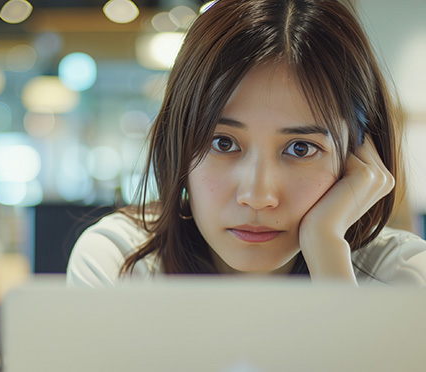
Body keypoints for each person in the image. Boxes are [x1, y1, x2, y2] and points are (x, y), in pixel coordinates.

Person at [66, 0, 426, 287]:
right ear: (177, 142)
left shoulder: (400, 275)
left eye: (301, 148)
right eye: (223, 142)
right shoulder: (121, 262)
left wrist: (327, 252)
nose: (257, 195)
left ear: (358, 156)